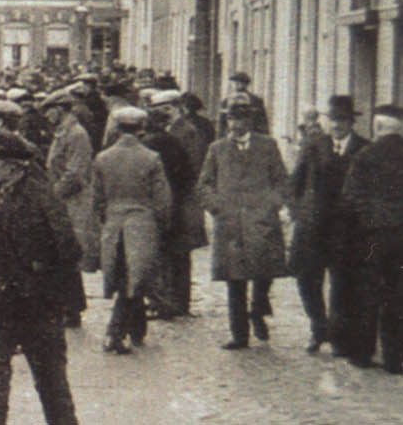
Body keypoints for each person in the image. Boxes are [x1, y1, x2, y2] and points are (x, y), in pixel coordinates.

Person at [0, 133, 80, 425]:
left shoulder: (42, 195)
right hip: (1, 302)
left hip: (38, 306)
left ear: (13, 166)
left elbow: (69, 247)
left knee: (51, 381)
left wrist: (42, 280)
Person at [196, 103, 289, 349]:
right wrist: (216, 207)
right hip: (231, 224)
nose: (235, 125)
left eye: (240, 119)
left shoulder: (267, 146)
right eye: (231, 120)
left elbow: (281, 180)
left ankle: (258, 309)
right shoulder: (217, 150)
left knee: (264, 272)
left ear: (250, 121)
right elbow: (204, 184)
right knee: (234, 280)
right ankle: (239, 335)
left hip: (261, 221)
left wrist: (271, 205)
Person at [290, 95, 368, 359]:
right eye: (333, 120)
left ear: (351, 122)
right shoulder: (314, 145)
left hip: (347, 229)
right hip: (312, 227)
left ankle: (337, 335)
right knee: (307, 280)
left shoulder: (363, 149)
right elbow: (296, 183)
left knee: (342, 283)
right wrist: (298, 213)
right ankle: (318, 326)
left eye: (342, 120)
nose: (336, 126)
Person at [92, 107, 172, 354]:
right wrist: (161, 224)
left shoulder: (103, 158)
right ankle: (113, 334)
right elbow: (163, 200)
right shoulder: (151, 158)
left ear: (117, 128)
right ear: (141, 129)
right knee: (134, 278)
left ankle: (137, 330)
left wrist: (107, 218)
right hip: (142, 223)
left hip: (114, 224)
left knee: (126, 277)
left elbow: (97, 199)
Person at [338, 103, 403, 372]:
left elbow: (350, 198)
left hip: (372, 237)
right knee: (397, 297)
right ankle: (394, 359)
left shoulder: (365, 156)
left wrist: (365, 222)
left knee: (367, 294)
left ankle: (362, 354)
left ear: (378, 128)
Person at [145, 90, 206, 318]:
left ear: (173, 107)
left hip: (182, 199)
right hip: (170, 197)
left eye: (164, 109)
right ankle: (166, 299)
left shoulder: (188, 132)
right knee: (167, 251)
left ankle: (178, 302)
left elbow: (193, 167)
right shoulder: (170, 131)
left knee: (178, 253)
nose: (162, 114)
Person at [42, 89, 96, 329]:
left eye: (50, 111)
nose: (47, 116)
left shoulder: (76, 134)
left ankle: (72, 309)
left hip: (72, 202)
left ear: (61, 109)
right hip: (62, 201)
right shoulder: (63, 133)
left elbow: (75, 173)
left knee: (67, 254)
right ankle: (68, 306)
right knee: (61, 254)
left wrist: (53, 197)